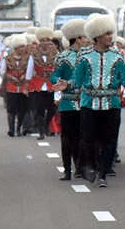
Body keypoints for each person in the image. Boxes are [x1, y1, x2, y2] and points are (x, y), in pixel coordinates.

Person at [58, 14, 125, 188]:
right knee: (88, 138)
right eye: (107, 34)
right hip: (89, 104)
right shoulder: (85, 56)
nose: (110, 37)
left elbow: (124, 77)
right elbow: (77, 79)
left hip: (111, 103)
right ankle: (90, 164)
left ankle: (103, 173)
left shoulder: (117, 56)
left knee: (109, 140)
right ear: (97, 36)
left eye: (111, 33)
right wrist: (67, 84)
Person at [51, 18, 88, 180]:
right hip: (68, 102)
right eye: (85, 37)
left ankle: (81, 166)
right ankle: (67, 169)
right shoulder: (63, 57)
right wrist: (59, 82)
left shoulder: (90, 56)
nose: (87, 40)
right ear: (78, 38)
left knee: (84, 137)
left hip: (86, 101)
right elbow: (54, 75)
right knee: (67, 138)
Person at [27, 27, 59, 139]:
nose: (45, 43)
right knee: (39, 109)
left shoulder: (56, 54)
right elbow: (30, 69)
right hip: (38, 84)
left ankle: (46, 125)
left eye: (47, 40)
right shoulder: (34, 54)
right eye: (42, 40)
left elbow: (59, 68)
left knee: (52, 109)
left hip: (51, 84)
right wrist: (28, 83)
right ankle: (41, 131)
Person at [2, 34, 30, 137]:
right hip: (12, 87)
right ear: (16, 48)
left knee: (22, 109)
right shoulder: (8, 58)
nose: (23, 49)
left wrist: (25, 76)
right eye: (21, 47)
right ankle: (11, 129)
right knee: (11, 109)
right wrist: (11, 77)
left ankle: (19, 128)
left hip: (23, 87)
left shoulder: (28, 58)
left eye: (24, 46)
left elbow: (31, 70)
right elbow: (3, 71)